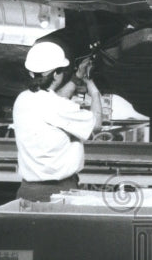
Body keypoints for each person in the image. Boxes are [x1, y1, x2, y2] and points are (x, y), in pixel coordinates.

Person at [13, 40, 103, 202]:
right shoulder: (57, 106)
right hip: (58, 193)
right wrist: (94, 91)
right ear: (56, 74)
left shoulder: (23, 99)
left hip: (27, 191)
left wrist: (77, 77)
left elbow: (55, 101)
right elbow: (96, 125)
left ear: (31, 72)